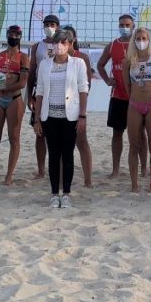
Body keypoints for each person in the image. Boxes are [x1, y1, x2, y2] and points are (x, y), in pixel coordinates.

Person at [33, 27, 89, 208]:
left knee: (68, 155)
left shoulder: (78, 63)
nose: (60, 45)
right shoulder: (45, 64)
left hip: (70, 116)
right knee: (53, 155)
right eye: (57, 42)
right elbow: (40, 91)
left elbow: (83, 89)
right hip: (49, 116)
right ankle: (54, 193)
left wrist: (82, 116)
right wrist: (37, 118)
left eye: (64, 42)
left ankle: (66, 194)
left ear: (70, 44)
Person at [97, 14, 145, 179]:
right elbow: (100, 65)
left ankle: (144, 170)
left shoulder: (139, 44)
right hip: (118, 96)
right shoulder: (112, 46)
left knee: (140, 134)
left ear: (133, 26)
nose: (124, 27)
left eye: (127, 24)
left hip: (137, 97)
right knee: (117, 133)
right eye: (121, 24)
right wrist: (107, 80)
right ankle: (115, 170)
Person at [0, 24, 28, 185]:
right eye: (11, 34)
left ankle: (9, 176)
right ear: (7, 35)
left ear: (20, 36)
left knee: (14, 138)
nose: (13, 37)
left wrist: (6, 89)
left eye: (16, 34)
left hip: (14, 99)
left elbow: (23, 82)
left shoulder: (23, 57)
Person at [122, 27, 151, 192]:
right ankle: (134, 184)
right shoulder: (129, 60)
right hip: (135, 105)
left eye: (144, 38)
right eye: (138, 38)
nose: (141, 41)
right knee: (134, 145)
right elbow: (127, 87)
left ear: (149, 39)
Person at [27, 14, 60, 177]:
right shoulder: (37, 46)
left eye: (52, 24)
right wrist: (28, 96)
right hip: (40, 91)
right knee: (40, 133)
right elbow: (32, 71)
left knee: (58, 134)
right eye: (46, 24)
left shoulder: (63, 45)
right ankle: (41, 170)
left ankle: (57, 168)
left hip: (59, 92)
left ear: (58, 26)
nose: (49, 27)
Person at [64, 25, 95, 188]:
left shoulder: (82, 58)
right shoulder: (54, 57)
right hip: (58, 106)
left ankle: (88, 180)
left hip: (75, 107)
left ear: (73, 40)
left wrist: (81, 109)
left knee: (81, 142)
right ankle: (62, 181)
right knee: (61, 146)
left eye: (68, 38)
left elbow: (87, 86)